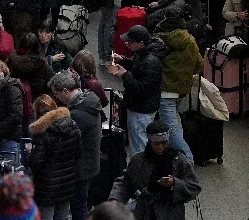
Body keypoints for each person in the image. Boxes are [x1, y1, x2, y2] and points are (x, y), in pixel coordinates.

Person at [108, 120, 201, 220]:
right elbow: (125, 182)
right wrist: (115, 200)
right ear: (149, 141)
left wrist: (174, 183)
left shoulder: (178, 160)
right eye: (156, 143)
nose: (160, 147)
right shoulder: (139, 160)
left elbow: (194, 187)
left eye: (164, 143)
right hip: (144, 212)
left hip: (170, 213)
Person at [50, 70, 103, 220]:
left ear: (65, 91)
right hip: (89, 164)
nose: (57, 98)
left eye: (57, 94)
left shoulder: (78, 114)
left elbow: (66, 143)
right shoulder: (88, 102)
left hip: (81, 168)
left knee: (78, 207)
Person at [152, 11, 202, 164]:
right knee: (175, 125)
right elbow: (199, 65)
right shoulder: (191, 41)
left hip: (165, 90)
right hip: (181, 90)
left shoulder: (160, 41)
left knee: (171, 130)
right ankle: (173, 159)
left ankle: (188, 161)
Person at [111, 25, 164, 157]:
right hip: (140, 107)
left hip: (141, 110)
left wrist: (125, 75)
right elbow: (138, 69)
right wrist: (124, 61)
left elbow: (141, 88)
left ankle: (141, 173)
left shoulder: (151, 61)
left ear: (140, 43)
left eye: (130, 42)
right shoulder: (144, 54)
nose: (127, 44)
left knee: (140, 146)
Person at [29, 94, 82, 220]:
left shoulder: (43, 133)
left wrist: (31, 152)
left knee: (46, 216)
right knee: (62, 216)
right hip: (67, 183)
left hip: (47, 185)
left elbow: (36, 162)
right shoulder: (72, 125)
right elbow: (78, 153)